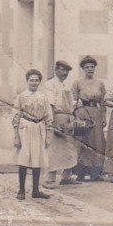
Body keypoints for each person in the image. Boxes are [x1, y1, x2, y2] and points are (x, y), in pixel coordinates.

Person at [12, 69, 53, 200]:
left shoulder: (43, 97)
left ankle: (36, 190)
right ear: (27, 81)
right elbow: (15, 117)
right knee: (24, 159)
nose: (34, 83)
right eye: (31, 80)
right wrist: (16, 136)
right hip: (25, 128)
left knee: (38, 158)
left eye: (36, 80)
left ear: (39, 82)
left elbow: (48, 117)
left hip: (39, 128)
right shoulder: (22, 96)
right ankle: (21, 190)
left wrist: (48, 135)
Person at [41, 60, 79, 189]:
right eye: (62, 70)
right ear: (56, 70)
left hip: (67, 119)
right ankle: (49, 179)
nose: (65, 73)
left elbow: (71, 104)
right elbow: (50, 105)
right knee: (54, 150)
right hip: (57, 118)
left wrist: (73, 118)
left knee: (70, 149)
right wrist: (52, 124)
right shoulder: (50, 84)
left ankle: (66, 177)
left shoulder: (65, 85)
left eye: (67, 71)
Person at [71, 55, 107, 181]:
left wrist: (103, 117)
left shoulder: (100, 83)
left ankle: (95, 173)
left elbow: (103, 102)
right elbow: (73, 101)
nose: (90, 69)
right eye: (87, 67)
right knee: (83, 141)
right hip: (82, 113)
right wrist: (75, 116)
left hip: (96, 113)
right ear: (83, 69)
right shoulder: (77, 83)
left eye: (92, 67)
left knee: (97, 143)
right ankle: (81, 173)